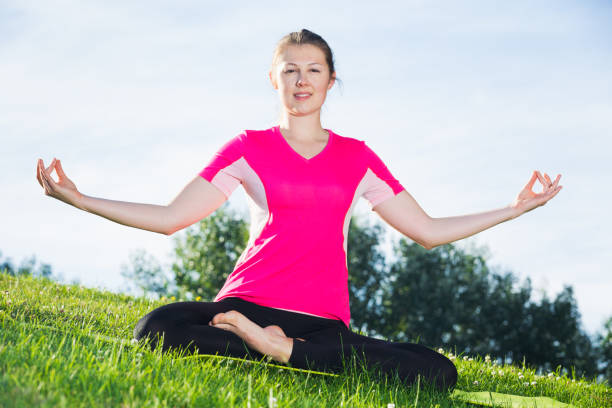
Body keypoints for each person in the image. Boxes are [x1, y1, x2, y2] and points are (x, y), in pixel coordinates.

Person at [35, 29, 563, 392]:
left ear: (332, 82)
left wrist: (513, 209)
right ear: (274, 80)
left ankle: (284, 352)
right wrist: (80, 200)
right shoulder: (247, 147)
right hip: (243, 308)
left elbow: (425, 230)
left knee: (438, 372)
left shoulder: (357, 157)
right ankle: (265, 343)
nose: (302, 80)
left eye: (314, 70)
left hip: (321, 325)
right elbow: (173, 217)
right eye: (290, 70)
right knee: (158, 326)